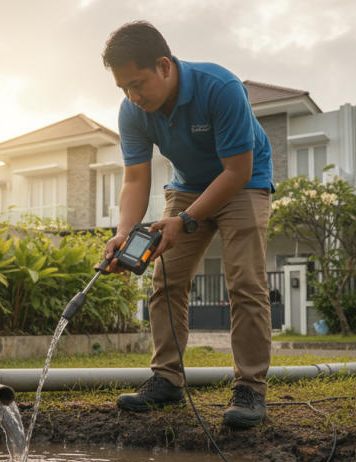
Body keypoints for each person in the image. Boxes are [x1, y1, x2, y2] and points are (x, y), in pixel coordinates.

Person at [100, 21, 274, 429]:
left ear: (164, 66)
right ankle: (167, 379)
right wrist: (124, 232)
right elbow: (136, 179)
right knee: (165, 282)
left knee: (245, 281)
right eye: (124, 88)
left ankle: (249, 387)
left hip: (243, 182)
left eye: (138, 83)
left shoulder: (220, 87)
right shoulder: (133, 111)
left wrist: (186, 219)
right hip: (186, 186)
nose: (132, 96)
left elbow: (237, 170)